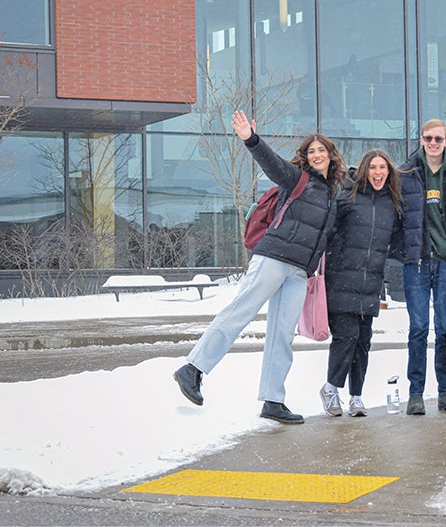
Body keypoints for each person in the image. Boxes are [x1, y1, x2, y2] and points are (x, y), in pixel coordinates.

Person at [173, 110, 345, 424]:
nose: (317, 155)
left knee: (282, 335)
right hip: (273, 258)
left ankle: (273, 399)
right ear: (306, 157)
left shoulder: (333, 194)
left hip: (298, 272)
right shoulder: (297, 178)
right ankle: (192, 368)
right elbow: (272, 163)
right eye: (312, 151)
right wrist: (251, 139)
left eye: (322, 150)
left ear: (331, 156)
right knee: (241, 311)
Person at [393, 118, 446, 415]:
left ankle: (445, 391)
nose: (433, 143)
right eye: (428, 138)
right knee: (418, 328)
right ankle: (415, 393)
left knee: (444, 328)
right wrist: (402, 250)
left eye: (438, 139)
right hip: (416, 263)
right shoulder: (405, 173)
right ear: (421, 140)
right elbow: (395, 217)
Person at [320, 149, 403, 417]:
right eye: (373, 167)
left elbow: (398, 240)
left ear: (388, 172)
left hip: (371, 283)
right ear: (365, 170)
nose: (378, 172)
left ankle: (356, 396)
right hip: (341, 279)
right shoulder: (347, 197)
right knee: (346, 336)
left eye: (383, 168)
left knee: (363, 341)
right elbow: (327, 233)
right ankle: (330, 389)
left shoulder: (392, 205)